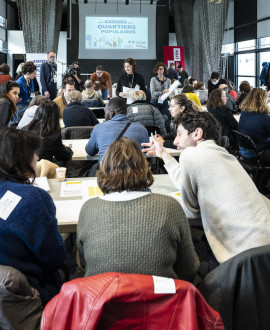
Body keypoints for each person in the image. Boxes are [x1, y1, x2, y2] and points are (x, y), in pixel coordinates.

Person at [142, 111, 270, 274]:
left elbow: (190, 212)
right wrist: (164, 155)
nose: (175, 141)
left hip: (238, 264)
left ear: (197, 133)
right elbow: (184, 179)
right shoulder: (225, 156)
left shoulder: (191, 154)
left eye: (179, 134)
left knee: (179, 243)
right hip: (262, 257)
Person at [78, 137, 199, 280]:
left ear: (104, 168)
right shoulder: (170, 207)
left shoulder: (88, 209)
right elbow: (189, 268)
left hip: (103, 298)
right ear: (144, 166)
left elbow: (84, 263)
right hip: (160, 299)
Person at [0, 128, 66, 305]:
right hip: (27, 293)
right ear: (21, 159)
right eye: (34, 154)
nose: (37, 158)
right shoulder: (33, 197)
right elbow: (53, 257)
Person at [85, 97, 149, 162]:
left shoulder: (98, 128)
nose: (105, 115)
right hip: (136, 171)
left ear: (111, 113)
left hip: (107, 170)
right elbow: (147, 151)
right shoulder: (142, 129)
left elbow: (90, 151)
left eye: (105, 112)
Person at [238, 87, 270, 165]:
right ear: (263, 100)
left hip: (244, 151)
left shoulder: (243, 113)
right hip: (256, 153)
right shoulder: (264, 117)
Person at [150, 62, 171, 130]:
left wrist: (168, 92)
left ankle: (167, 136)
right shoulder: (153, 79)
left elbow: (169, 93)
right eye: (158, 69)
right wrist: (162, 92)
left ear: (164, 70)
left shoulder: (168, 80)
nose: (160, 71)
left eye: (161, 69)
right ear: (156, 70)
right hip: (155, 101)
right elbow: (152, 93)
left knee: (167, 118)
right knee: (155, 120)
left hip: (164, 101)